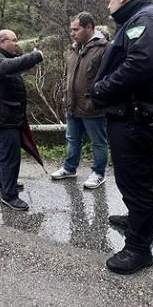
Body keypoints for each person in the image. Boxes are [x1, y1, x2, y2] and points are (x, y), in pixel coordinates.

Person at [92, 0, 153, 275]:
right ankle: (137, 220)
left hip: (138, 117)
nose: (108, 3)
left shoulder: (147, 18)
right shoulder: (138, 20)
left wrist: (102, 88)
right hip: (134, 115)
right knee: (135, 179)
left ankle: (139, 248)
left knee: (135, 181)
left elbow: (142, 62)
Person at [0, 29, 44, 211]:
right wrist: (35, 56)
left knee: (5, 155)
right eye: (13, 40)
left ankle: (4, 184)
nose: (17, 43)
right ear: (1, 42)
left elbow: (16, 65)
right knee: (10, 157)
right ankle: (10, 196)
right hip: (1, 120)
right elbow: (9, 67)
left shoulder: (2, 59)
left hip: (6, 117)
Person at [51, 12, 109, 189]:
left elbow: (110, 79)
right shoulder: (74, 49)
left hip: (92, 107)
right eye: (71, 29)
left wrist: (97, 100)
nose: (72, 33)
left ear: (89, 28)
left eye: (76, 29)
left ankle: (98, 174)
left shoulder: (104, 49)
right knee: (72, 139)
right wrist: (65, 93)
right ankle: (70, 168)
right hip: (72, 105)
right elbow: (66, 75)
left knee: (98, 142)